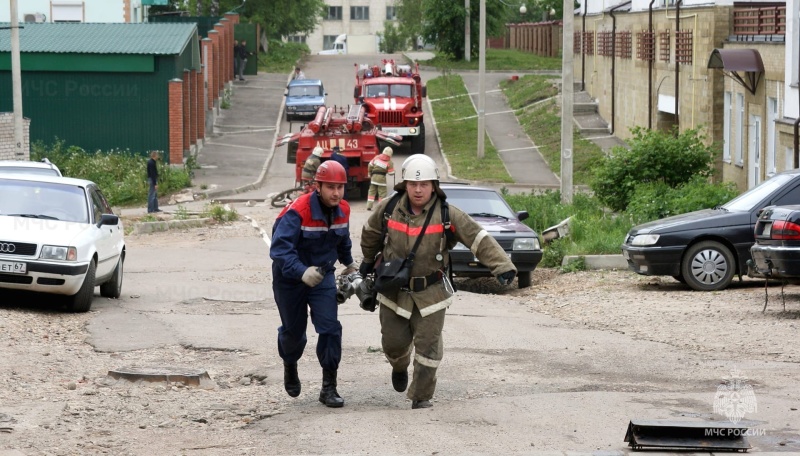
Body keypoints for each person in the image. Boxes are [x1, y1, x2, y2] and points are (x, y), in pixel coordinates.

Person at [359, 154, 517, 410]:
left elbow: (477, 238)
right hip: (392, 290)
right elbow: (370, 233)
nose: (418, 190)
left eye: (424, 184)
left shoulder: (447, 214)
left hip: (431, 293)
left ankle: (421, 395)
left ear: (434, 185)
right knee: (393, 344)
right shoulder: (389, 208)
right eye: (413, 184)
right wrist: (367, 262)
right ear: (405, 185)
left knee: (428, 347)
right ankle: (399, 365)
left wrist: (502, 266)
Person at [270, 160, 357, 408]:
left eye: (340, 187)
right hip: (289, 279)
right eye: (330, 187)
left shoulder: (344, 210)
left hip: (323, 276)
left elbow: (342, 239)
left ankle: (328, 387)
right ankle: (290, 363)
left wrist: (350, 263)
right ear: (318, 186)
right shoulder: (297, 211)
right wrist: (300, 271)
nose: (336, 193)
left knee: (330, 328)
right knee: (294, 333)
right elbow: (279, 250)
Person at [365, 146, 395, 211]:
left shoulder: (376, 157)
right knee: (382, 194)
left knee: (371, 192)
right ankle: (380, 207)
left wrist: (369, 173)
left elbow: (370, 165)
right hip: (382, 179)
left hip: (373, 178)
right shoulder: (389, 162)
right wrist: (393, 171)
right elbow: (391, 173)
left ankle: (369, 206)